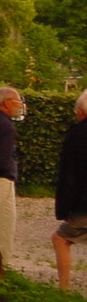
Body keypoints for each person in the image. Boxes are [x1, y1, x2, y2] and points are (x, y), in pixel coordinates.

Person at [53, 89, 87, 291]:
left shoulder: (77, 135)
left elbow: (70, 175)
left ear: (81, 112)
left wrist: (64, 209)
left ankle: (64, 289)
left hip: (84, 204)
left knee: (61, 239)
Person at [0, 86, 23, 267]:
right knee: (3, 227)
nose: (20, 106)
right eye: (17, 102)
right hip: (1, 181)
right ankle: (1, 265)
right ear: (7, 103)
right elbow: (2, 157)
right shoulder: (7, 126)